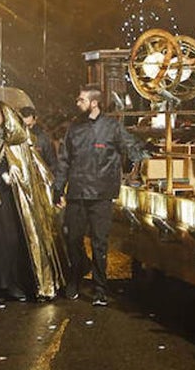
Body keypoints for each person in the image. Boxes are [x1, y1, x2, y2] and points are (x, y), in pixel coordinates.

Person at [53, 85, 148, 306]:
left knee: (99, 243)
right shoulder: (74, 128)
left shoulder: (112, 127)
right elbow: (64, 159)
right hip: (77, 192)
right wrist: (58, 187)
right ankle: (76, 276)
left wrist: (144, 156)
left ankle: (99, 288)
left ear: (94, 103)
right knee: (72, 238)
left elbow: (132, 147)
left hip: (102, 195)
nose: (77, 103)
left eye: (81, 100)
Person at [0, 101, 63, 302]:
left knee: (12, 241)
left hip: (11, 201)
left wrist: (14, 171)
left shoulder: (15, 140)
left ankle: (13, 283)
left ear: (3, 117)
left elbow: (27, 166)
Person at [19, 105, 58, 175]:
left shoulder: (43, 139)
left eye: (29, 125)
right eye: (23, 126)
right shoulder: (16, 138)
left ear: (35, 120)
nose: (27, 129)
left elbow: (53, 164)